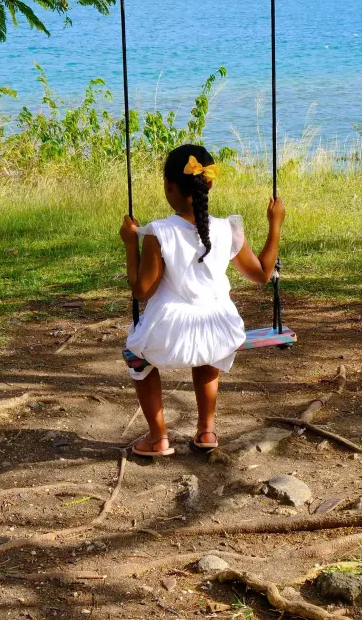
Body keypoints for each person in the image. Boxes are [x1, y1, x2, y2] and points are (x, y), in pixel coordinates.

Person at [119, 142, 286, 457]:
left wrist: (131, 244)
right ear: (208, 183)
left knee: (137, 356)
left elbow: (142, 291)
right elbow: (263, 274)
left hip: (170, 333)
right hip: (221, 328)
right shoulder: (228, 230)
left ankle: (158, 437)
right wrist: (275, 224)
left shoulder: (158, 233)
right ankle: (206, 430)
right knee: (208, 353)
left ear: (169, 187)